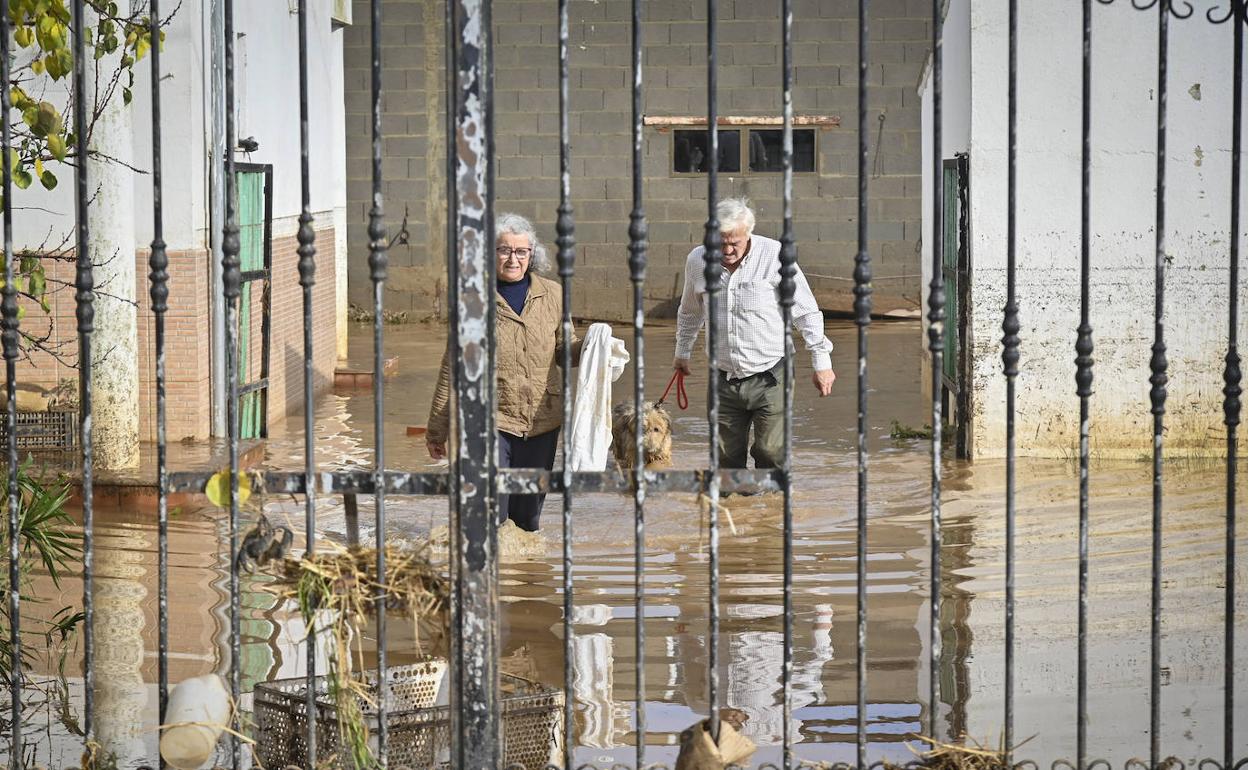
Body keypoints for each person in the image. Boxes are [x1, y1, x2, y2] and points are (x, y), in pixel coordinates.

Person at [426, 213, 581, 531]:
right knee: (491, 514)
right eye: (504, 250)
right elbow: (451, 368)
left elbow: (566, 351)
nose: (513, 258)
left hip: (543, 421)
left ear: (532, 255)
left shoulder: (553, 295)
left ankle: (524, 578)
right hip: (492, 420)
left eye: (521, 251)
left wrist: (597, 345)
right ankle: (490, 574)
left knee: (528, 519)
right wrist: (436, 431)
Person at [673, 197, 835, 469]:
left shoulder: (775, 255)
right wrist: (682, 352)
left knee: (771, 453)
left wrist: (822, 362)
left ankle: (769, 509)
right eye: (720, 242)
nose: (726, 249)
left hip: (771, 374)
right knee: (725, 458)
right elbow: (690, 311)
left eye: (734, 242)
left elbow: (805, 311)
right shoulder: (698, 260)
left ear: (749, 233)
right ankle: (734, 508)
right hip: (722, 376)